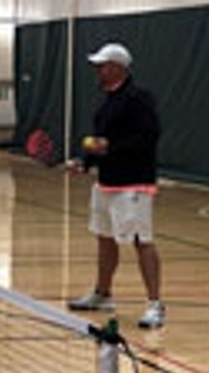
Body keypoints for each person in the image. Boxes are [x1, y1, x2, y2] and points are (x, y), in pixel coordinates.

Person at [66, 42, 165, 329]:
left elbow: (149, 137)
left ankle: (155, 304)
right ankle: (103, 293)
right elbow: (99, 143)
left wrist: (111, 147)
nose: (98, 70)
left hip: (134, 184)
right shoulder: (106, 102)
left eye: (103, 65)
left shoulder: (138, 98)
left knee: (141, 241)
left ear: (119, 68)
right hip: (106, 183)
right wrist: (84, 163)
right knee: (104, 238)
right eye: (97, 65)